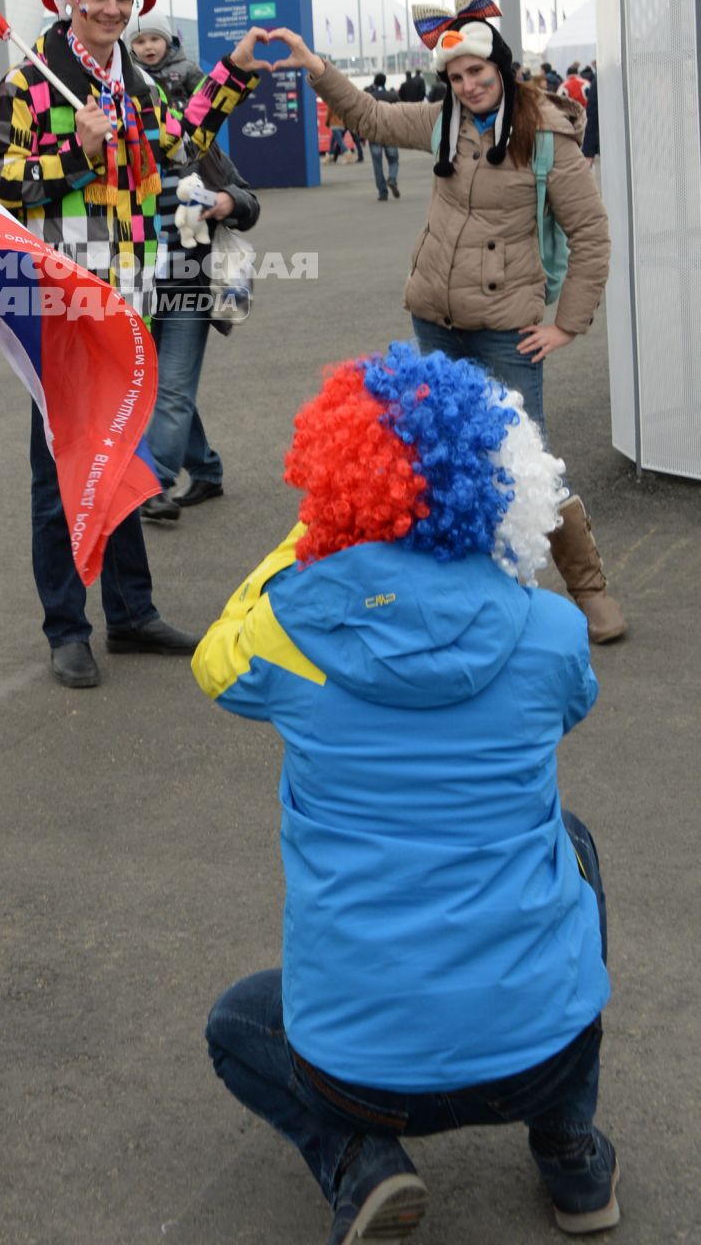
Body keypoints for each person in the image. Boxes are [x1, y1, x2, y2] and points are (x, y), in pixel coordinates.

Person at [195, 343, 619, 1245]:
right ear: (490, 471)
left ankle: (364, 1165)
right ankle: (572, 1156)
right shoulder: (549, 632)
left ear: (333, 479)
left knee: (237, 1023)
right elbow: (572, 699)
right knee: (573, 846)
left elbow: (212, 660)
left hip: (360, 1074)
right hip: (541, 1053)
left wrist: (307, 541)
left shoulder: (285, 632)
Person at [268, 0, 625, 642]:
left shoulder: (546, 134)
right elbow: (371, 119)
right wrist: (316, 68)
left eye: (477, 72)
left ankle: (590, 589)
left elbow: (593, 235)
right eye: (456, 75)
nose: (467, 85)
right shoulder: (442, 124)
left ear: (502, 70)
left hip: (507, 333)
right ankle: (476, 595)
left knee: (527, 460)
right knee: (446, 460)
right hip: (435, 320)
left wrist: (566, 323)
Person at [0, 0, 276, 687]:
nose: (114, 9)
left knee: (125, 460)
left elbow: (179, 143)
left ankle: (132, 613)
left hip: (134, 298)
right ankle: (66, 627)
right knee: (60, 475)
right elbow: (0, 185)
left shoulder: (138, 85)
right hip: (64, 306)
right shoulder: (31, 83)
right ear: (70, 0)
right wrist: (78, 151)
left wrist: (233, 73)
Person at [128, 13, 261, 521]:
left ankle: (152, 482)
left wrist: (227, 202)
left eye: (153, 37)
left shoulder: (191, 139)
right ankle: (203, 467)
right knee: (160, 385)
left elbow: (248, 200)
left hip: (189, 276)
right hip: (133, 279)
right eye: (137, 40)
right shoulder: (116, 146)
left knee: (173, 385)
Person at [364, 72, 400, 200]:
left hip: (374, 134)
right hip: (390, 132)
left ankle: (382, 192)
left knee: (377, 163)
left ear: (375, 82)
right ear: (385, 82)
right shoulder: (393, 96)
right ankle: (392, 178)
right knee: (394, 160)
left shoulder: (369, 97)